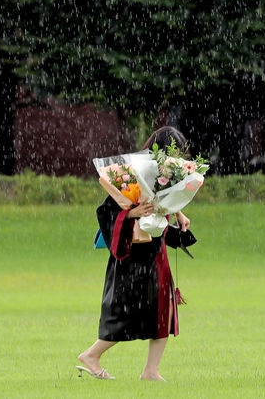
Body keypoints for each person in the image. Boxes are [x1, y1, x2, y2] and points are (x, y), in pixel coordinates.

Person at [77, 126, 196, 381]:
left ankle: (151, 371)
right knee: (127, 310)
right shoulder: (129, 174)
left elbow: (164, 201)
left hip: (156, 253)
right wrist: (131, 213)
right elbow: (106, 212)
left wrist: (178, 212)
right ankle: (91, 355)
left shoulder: (167, 175)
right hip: (132, 255)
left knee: (164, 309)